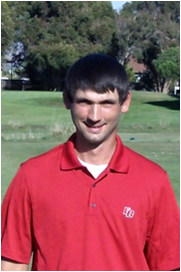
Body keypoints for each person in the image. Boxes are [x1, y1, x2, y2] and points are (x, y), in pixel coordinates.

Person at [1, 53, 180, 271]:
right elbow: (12, 261)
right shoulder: (32, 175)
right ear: (67, 100)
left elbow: (166, 265)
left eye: (106, 103)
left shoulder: (154, 180)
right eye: (85, 102)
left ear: (125, 103)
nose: (94, 116)